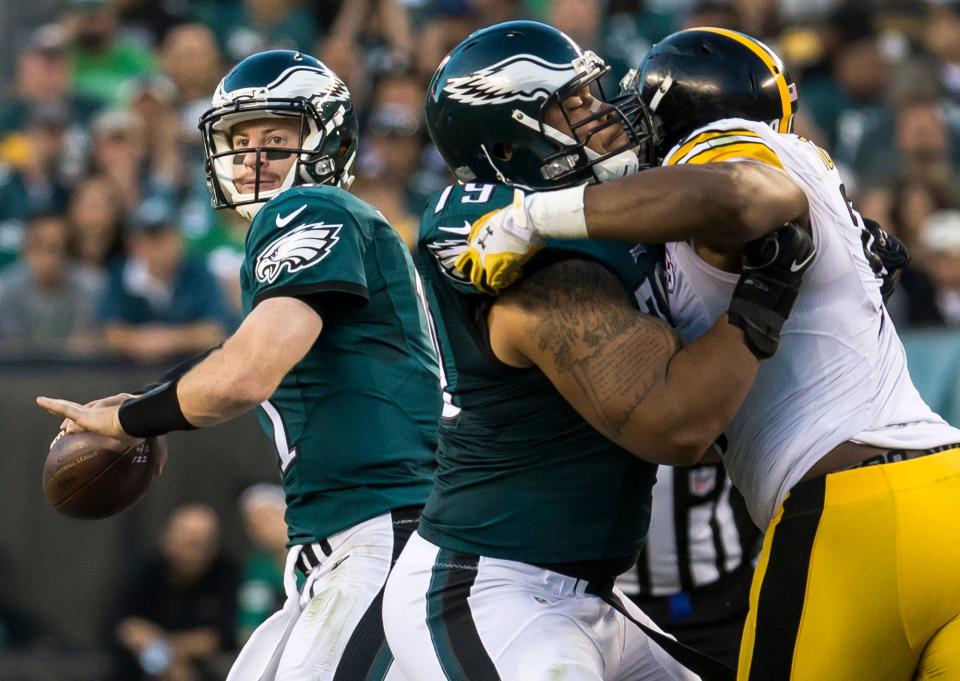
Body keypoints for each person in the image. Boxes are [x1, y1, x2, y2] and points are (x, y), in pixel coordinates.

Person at [456, 27, 960, 681]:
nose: (622, 124)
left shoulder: (721, 147)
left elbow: (746, 195)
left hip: (851, 512)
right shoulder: (782, 180)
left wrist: (537, 216)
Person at [381, 21, 814, 681]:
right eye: (572, 104)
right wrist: (765, 295)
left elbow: (742, 192)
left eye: (592, 92)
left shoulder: (597, 212)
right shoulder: (524, 258)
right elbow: (678, 424)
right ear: (509, 142)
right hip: (493, 587)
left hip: (592, 592)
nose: (603, 112)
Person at [38, 49, 441, 681]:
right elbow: (240, 358)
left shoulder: (311, 208)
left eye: (276, 139)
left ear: (326, 143)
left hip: (383, 528)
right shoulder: (333, 223)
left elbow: (246, 373)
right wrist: (151, 400)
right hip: (354, 537)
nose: (253, 158)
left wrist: (138, 420)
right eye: (240, 140)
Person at [111, 504, 238, 681]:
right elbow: (126, 627)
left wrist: (159, 645)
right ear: (167, 538)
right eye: (186, 540)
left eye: (200, 544)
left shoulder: (227, 575)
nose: (190, 552)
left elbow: (219, 638)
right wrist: (166, 658)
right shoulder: (145, 573)